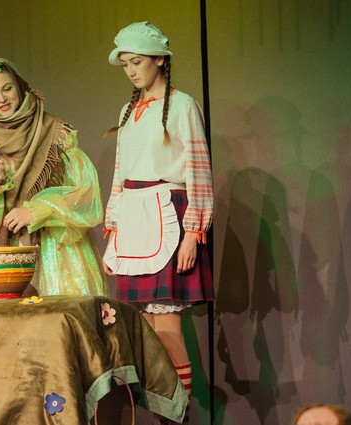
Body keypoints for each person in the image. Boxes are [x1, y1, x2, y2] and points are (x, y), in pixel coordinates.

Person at [102, 22, 215, 422]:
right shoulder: (128, 111)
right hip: (135, 218)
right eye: (126, 65)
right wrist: (113, 233)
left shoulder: (182, 106)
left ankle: (178, 416)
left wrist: (193, 233)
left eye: (137, 62)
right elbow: (120, 174)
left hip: (167, 215)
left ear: (160, 60)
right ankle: (164, 411)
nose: (131, 71)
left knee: (166, 327)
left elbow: (199, 170)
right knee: (146, 332)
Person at [0, 58, 109, 298]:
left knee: (57, 316)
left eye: (7, 88)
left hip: (55, 249)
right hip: (4, 250)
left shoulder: (53, 130)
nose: (1, 99)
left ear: (19, 86)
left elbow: (86, 193)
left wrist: (36, 211)